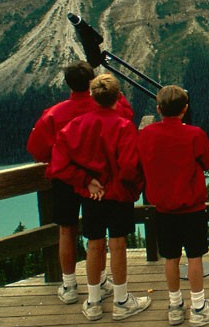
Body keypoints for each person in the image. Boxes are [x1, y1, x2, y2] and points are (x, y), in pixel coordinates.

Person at [27, 61, 134, 304]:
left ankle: (69, 285)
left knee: (67, 229)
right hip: (101, 180)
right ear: (92, 81)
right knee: (98, 234)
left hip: (67, 178)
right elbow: (127, 115)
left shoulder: (54, 114)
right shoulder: (112, 107)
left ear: (68, 84)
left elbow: (37, 150)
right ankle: (103, 281)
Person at [49, 74, 149, 321]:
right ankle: (121, 300)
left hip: (91, 196)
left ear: (92, 96)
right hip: (118, 195)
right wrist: (132, 189)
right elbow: (128, 166)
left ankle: (93, 301)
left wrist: (85, 181)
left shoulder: (75, 126)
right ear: (118, 97)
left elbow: (58, 166)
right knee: (118, 244)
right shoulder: (124, 126)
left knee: (94, 243)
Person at [139, 85, 209, 327]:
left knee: (170, 257)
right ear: (185, 109)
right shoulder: (194, 134)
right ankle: (198, 307)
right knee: (194, 256)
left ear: (158, 109)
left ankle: (175, 306)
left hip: (163, 208)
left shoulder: (147, 134)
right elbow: (208, 162)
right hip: (192, 208)